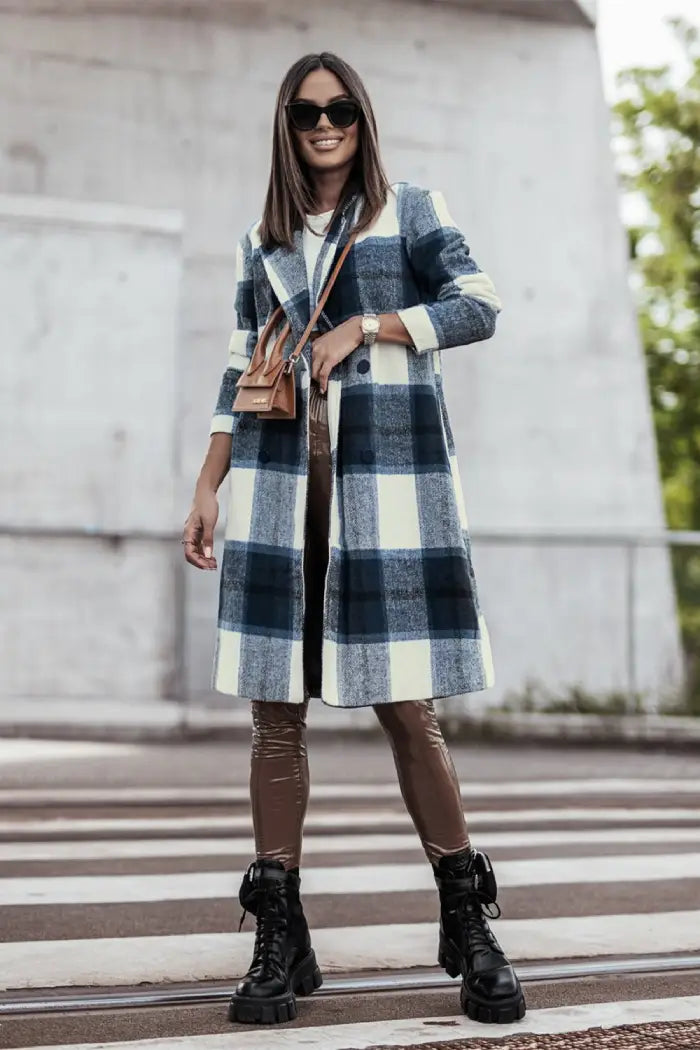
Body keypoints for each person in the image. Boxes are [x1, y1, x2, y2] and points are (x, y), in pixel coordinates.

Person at [183, 51, 525, 1029]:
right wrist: (207, 487)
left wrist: (367, 325)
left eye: (338, 111)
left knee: (409, 713)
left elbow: (480, 303)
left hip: (389, 507)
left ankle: (468, 920)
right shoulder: (265, 240)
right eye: (305, 113)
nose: (323, 126)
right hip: (279, 502)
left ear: (360, 120)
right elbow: (237, 368)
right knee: (274, 720)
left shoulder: (409, 210)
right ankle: (279, 934)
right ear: (286, 128)